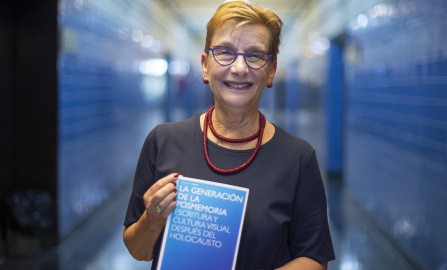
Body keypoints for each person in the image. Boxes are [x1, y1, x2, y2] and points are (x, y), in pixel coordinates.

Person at [123, 1, 335, 269]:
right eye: (225, 52)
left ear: (271, 71)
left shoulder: (298, 158)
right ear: (205, 66)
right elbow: (137, 250)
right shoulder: (163, 141)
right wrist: (152, 219)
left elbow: (314, 259)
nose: (239, 68)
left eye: (255, 55)